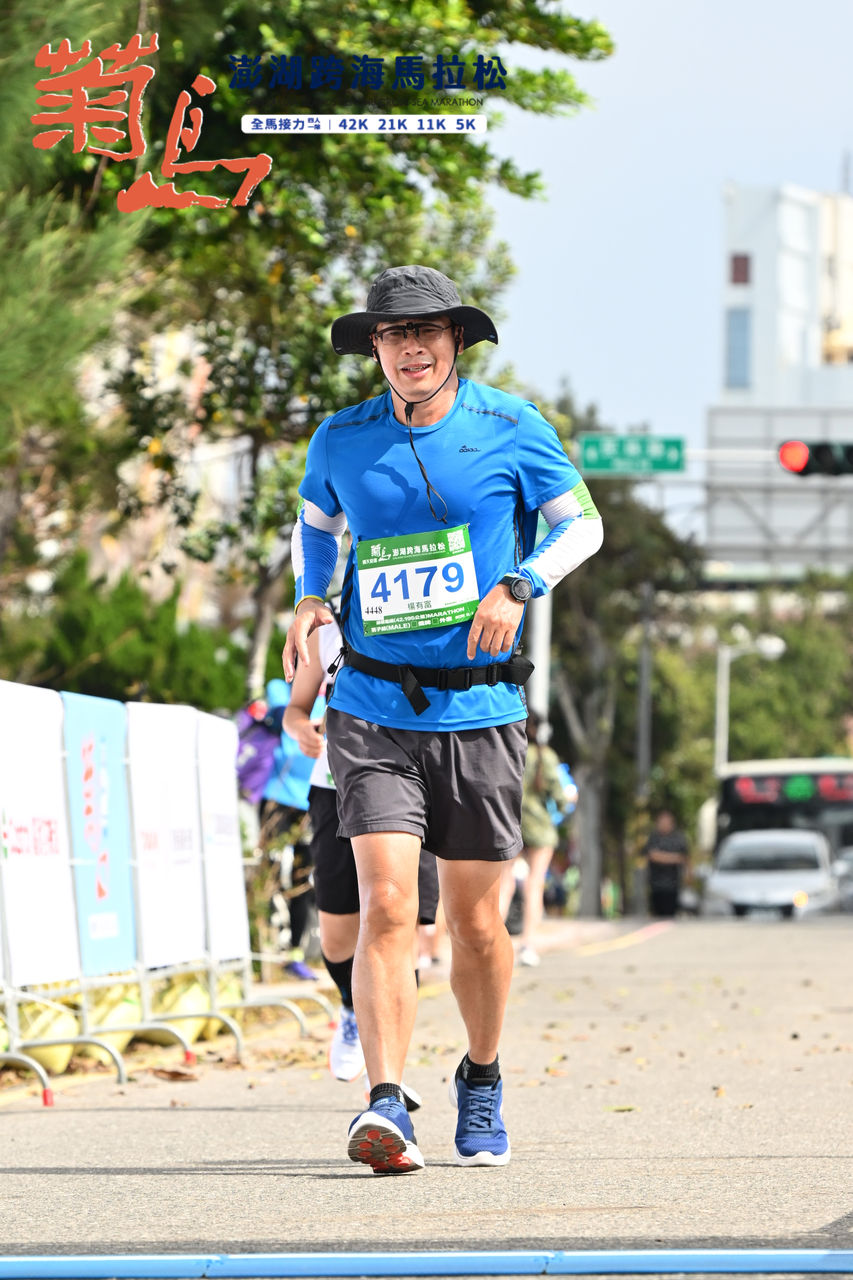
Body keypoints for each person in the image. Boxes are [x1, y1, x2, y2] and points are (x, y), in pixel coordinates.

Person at [283, 264, 603, 1175]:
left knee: (474, 924)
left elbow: (580, 525)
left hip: (480, 708)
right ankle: (385, 1102)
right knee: (387, 904)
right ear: (374, 348)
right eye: (392, 335)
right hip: (371, 704)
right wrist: (311, 595)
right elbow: (316, 523)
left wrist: (520, 583)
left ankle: (482, 1074)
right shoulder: (342, 437)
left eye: (425, 332)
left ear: (455, 340)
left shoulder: (512, 426)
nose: (410, 349)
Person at [282, 606, 439, 1100]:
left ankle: (388, 1069)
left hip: (409, 788)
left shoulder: (421, 612)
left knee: (399, 924)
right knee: (335, 939)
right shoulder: (327, 629)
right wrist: (301, 730)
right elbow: (294, 710)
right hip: (333, 787)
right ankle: (352, 1008)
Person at [501, 711, 571, 968]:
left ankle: (494, 945)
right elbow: (559, 796)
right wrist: (565, 804)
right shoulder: (545, 756)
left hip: (510, 821)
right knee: (535, 884)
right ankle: (527, 945)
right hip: (540, 826)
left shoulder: (508, 749)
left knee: (504, 883)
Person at [642, 809, 689, 918]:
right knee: (657, 915)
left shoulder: (678, 838)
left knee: (670, 915)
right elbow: (653, 855)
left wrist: (688, 874)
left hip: (673, 885)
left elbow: (685, 857)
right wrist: (674, 858)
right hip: (656, 885)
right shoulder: (654, 837)